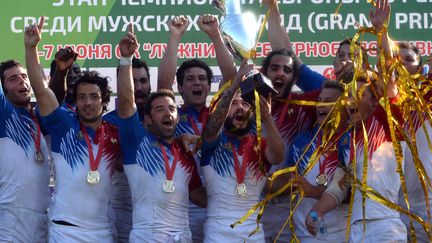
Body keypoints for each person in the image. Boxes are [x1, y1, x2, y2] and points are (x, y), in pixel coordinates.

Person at [24, 17, 122, 242]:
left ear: (104, 101)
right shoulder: (62, 124)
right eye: (82, 97)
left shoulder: (115, 133)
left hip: (103, 232)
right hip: (64, 231)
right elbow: (40, 89)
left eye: (94, 97)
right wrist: (31, 48)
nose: (88, 102)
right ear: (74, 101)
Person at [116, 24, 206, 242]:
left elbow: (199, 196)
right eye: (159, 109)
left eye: (172, 109)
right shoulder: (135, 142)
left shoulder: (184, 152)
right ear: (147, 118)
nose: (168, 113)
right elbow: (127, 104)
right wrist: (126, 60)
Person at [157, 14, 236, 242]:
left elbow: (231, 80)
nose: (197, 83)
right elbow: (163, 85)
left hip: (218, 208)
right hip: (182, 210)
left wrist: (214, 35)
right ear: (180, 87)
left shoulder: (218, 115)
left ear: (209, 86)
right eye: (190, 79)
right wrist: (174, 37)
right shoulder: (173, 115)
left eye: (202, 79)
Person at [201, 61, 285, 242]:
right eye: (234, 103)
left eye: (246, 104)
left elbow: (278, 157)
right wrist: (236, 84)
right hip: (217, 234)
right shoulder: (213, 141)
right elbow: (211, 128)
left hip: (253, 235)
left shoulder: (260, 144)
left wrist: (267, 117)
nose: (240, 107)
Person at [286, 80, 348, 242]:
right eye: (319, 101)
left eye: (328, 102)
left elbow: (353, 192)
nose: (321, 105)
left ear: (343, 107)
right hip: (303, 234)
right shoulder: (301, 141)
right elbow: (287, 182)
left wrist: (315, 191)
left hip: (340, 236)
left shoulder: (350, 142)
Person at [0, 59, 50, 242]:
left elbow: (53, 96)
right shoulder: (4, 112)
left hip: (43, 220)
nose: (22, 81)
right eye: (13, 79)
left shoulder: (36, 117)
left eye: (24, 76)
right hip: (11, 220)